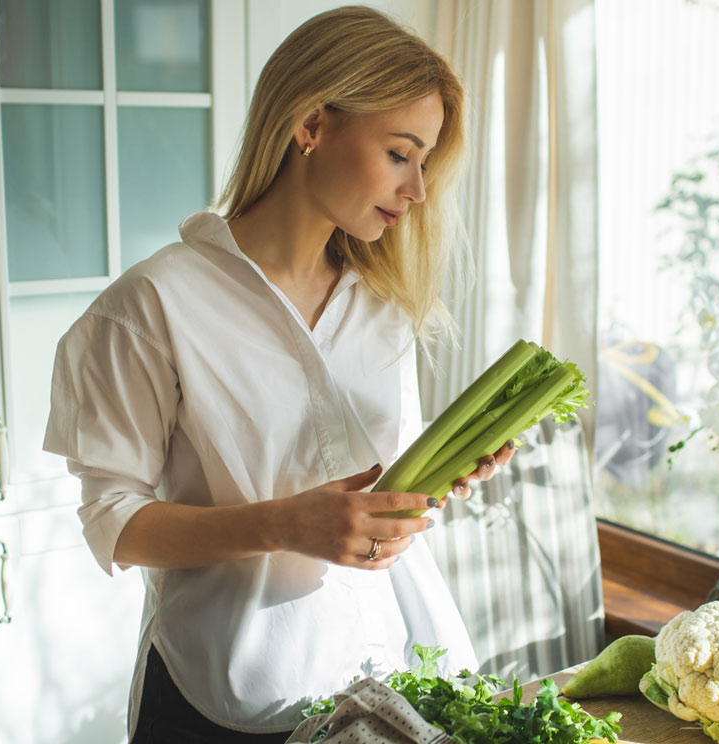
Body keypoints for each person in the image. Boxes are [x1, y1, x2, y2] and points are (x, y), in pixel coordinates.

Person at [43, 7, 514, 742]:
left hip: (380, 688)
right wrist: (287, 523)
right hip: (225, 704)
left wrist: (442, 476)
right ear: (310, 126)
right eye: (400, 153)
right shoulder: (153, 305)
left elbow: (380, 500)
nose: (418, 189)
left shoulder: (383, 305)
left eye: (425, 162)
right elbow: (115, 523)